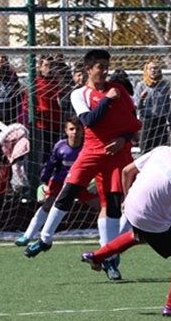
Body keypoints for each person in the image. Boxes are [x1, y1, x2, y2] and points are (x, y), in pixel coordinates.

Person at [23, 49, 142, 282]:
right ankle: (45, 239)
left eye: (107, 66)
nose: (105, 71)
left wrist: (123, 139)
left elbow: (133, 123)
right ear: (88, 69)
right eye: (100, 67)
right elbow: (89, 120)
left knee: (112, 205)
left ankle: (108, 258)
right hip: (91, 151)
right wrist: (107, 100)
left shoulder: (118, 90)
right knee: (67, 192)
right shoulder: (80, 94)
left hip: (116, 154)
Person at [80, 120, 171, 317]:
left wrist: (126, 199)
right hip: (150, 219)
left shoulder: (162, 150)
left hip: (131, 207)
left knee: (139, 235)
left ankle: (97, 256)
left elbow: (127, 171)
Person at [15, 116, 99, 247]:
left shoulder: (88, 147)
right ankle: (27, 236)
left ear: (83, 131)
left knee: (101, 206)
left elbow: (97, 164)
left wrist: (95, 179)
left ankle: (115, 235)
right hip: (60, 182)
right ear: (66, 130)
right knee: (47, 205)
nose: (75, 132)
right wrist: (43, 183)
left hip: (82, 182)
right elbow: (50, 165)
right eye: (71, 129)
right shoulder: (60, 147)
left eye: (78, 129)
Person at [31, 54, 65, 164]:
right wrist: (37, 112)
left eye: (51, 65)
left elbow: (62, 98)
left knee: (56, 151)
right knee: (43, 153)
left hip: (56, 121)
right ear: (40, 67)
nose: (49, 69)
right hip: (42, 123)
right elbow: (27, 101)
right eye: (46, 65)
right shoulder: (35, 82)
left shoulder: (57, 81)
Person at [133, 60, 171, 153]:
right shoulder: (141, 85)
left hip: (161, 120)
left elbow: (167, 104)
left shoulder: (164, 85)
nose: (153, 70)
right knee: (146, 150)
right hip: (147, 120)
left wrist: (170, 121)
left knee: (162, 149)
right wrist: (142, 98)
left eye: (156, 68)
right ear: (146, 70)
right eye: (150, 68)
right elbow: (136, 106)